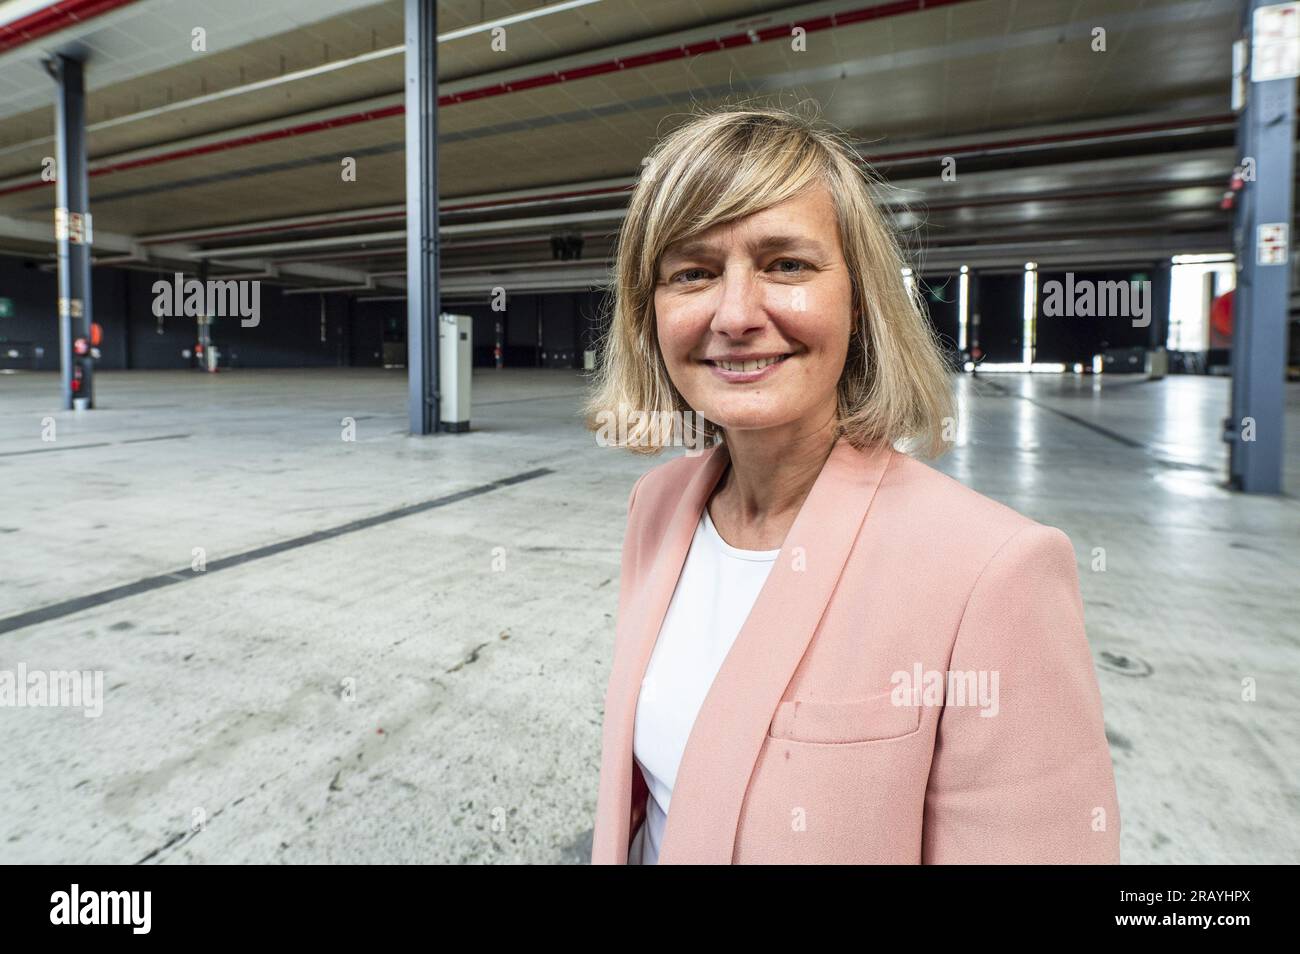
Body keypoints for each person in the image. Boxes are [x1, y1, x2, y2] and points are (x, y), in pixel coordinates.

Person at [584, 106, 1120, 864]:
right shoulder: (657, 507)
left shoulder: (992, 572)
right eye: (693, 273)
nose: (735, 315)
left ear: (860, 301)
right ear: (652, 314)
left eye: (786, 264)